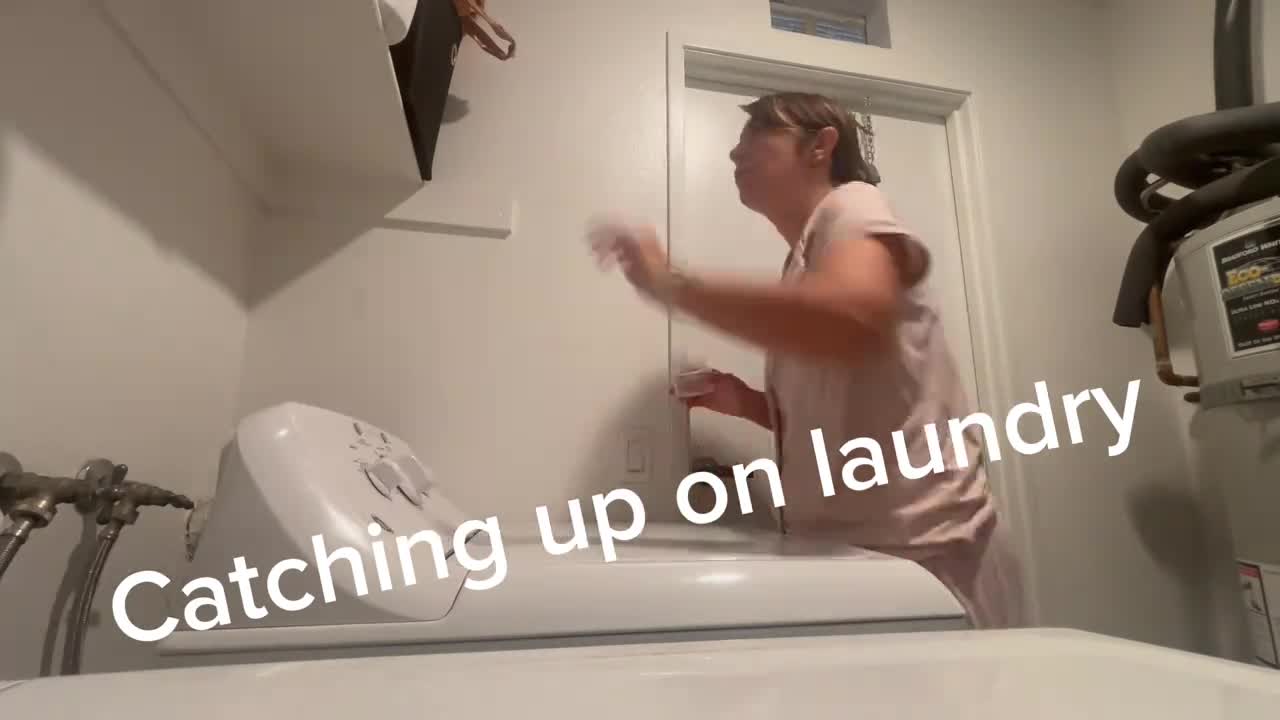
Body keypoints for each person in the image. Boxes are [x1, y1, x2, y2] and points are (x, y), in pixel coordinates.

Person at [589, 91, 1025, 629]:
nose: (735, 152)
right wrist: (748, 403)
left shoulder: (852, 202)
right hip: (867, 558)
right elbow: (842, 412)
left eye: (756, 136)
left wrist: (669, 283)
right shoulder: (802, 261)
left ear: (820, 146)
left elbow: (851, 319)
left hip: (930, 557)